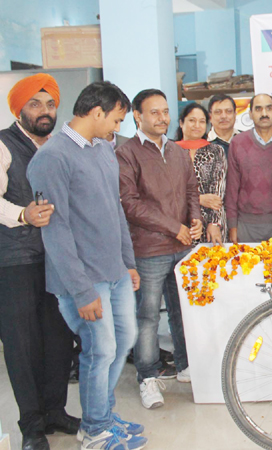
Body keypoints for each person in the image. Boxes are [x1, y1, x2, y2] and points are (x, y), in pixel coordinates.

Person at [27, 81, 147, 450]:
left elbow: (115, 211)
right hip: (83, 280)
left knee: (122, 341)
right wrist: (81, 290)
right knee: (100, 351)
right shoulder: (52, 157)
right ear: (96, 112)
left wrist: (128, 262)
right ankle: (95, 431)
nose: (118, 128)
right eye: (116, 119)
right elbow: (56, 230)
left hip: (115, 273)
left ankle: (104, 417)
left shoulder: (103, 150)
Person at [0, 74, 77, 450]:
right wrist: (23, 214)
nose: (44, 112)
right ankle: (31, 426)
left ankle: (55, 411)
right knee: (22, 345)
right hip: (14, 262)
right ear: (19, 109)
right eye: (35, 104)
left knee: (60, 339)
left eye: (49, 104)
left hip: (57, 259)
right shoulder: (3, 144)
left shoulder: (61, 145)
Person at [116, 89, 202, 409]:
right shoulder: (126, 154)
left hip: (183, 246)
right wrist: (173, 227)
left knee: (182, 312)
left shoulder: (178, 152)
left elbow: (192, 189)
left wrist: (194, 220)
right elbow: (131, 205)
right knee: (148, 317)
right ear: (137, 116)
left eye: (165, 112)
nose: (162, 118)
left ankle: (184, 365)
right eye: (154, 112)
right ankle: (148, 377)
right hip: (149, 249)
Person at [226, 94, 272, 243]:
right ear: (250, 114)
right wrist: (232, 227)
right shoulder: (238, 143)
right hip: (247, 227)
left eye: (269, 108)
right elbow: (232, 189)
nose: (264, 114)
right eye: (258, 109)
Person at [175, 103, 227, 245]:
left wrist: (215, 223)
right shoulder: (170, 151)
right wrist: (199, 199)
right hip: (178, 223)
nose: (197, 125)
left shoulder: (216, 151)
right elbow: (167, 192)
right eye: (192, 120)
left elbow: (218, 191)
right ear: (181, 123)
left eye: (202, 121)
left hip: (210, 222)